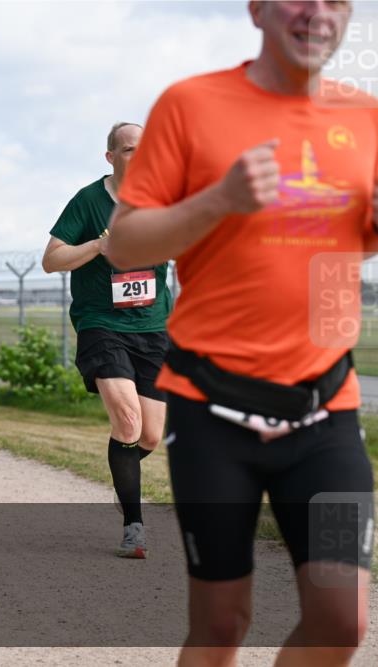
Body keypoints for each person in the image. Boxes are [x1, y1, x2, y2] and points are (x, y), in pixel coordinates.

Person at [108, 1, 376, 663]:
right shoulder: (191, 105)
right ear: (257, 8)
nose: (318, 13)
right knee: (221, 623)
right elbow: (125, 243)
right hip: (212, 413)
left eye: (336, 0)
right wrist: (220, 199)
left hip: (325, 411)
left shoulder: (365, 116)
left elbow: (355, 239)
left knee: (341, 620)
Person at [43, 121, 171, 558]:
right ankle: (134, 527)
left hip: (153, 327)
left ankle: (124, 477)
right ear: (111, 157)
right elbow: (51, 260)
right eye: (130, 149)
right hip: (102, 324)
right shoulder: (88, 200)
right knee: (128, 421)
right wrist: (98, 247)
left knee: (150, 436)